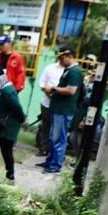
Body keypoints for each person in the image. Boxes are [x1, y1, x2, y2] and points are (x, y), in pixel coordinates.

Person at [41, 45, 81, 174]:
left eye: (62, 58)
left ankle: (55, 166)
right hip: (58, 109)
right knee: (54, 137)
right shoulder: (68, 70)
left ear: (70, 57)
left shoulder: (74, 72)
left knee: (58, 139)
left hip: (63, 110)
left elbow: (71, 90)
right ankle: (51, 162)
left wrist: (53, 89)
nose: (60, 61)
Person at [36, 58, 64, 157]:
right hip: (47, 102)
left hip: (61, 104)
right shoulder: (50, 68)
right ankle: (43, 148)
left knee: (58, 129)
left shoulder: (69, 71)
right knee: (45, 126)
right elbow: (42, 83)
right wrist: (48, 92)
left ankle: (54, 151)